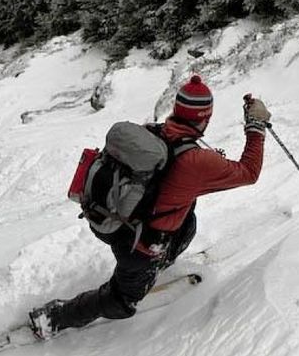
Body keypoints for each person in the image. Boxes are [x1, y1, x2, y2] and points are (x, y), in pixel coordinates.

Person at [29, 75, 271, 338]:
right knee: (122, 303)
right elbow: (249, 172)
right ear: (205, 118)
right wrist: (256, 126)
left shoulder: (152, 133)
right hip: (139, 246)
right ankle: (53, 317)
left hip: (117, 218)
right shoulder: (198, 161)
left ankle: (157, 264)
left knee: (187, 217)